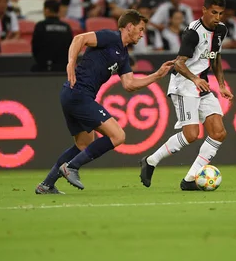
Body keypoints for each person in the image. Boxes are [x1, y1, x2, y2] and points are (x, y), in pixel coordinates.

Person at [37, 10, 175, 193]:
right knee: (118, 136)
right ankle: (71, 167)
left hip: (72, 94)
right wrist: (71, 62)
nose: (142, 34)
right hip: (78, 93)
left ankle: (46, 185)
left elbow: (130, 84)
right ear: (129, 26)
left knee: (83, 144)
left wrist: (157, 75)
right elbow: (79, 39)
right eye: (141, 29)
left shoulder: (124, 55)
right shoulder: (110, 37)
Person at [138, 0, 233, 190]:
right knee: (191, 135)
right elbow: (179, 64)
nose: (217, 17)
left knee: (219, 132)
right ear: (204, 10)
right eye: (214, 12)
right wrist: (196, 79)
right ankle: (150, 161)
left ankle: (190, 180)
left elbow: (215, 58)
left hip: (201, 83)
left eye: (221, 14)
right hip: (184, 83)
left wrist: (221, 84)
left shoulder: (222, 30)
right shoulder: (193, 32)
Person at [31, 0, 73, 72]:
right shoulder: (66, 27)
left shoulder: (40, 26)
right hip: (63, 69)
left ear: (47, 10)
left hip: (43, 68)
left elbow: (35, 47)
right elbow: (71, 47)